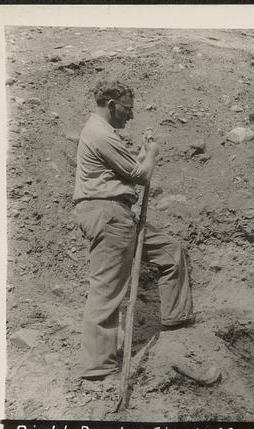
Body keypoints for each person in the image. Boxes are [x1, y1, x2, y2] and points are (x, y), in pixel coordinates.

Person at [73, 79, 194, 380]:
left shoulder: (103, 134)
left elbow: (127, 168)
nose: (131, 115)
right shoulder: (100, 133)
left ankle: (176, 321)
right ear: (112, 105)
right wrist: (151, 152)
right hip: (109, 214)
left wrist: (142, 154)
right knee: (106, 289)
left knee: (169, 250)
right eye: (127, 109)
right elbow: (139, 174)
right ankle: (98, 368)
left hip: (118, 213)